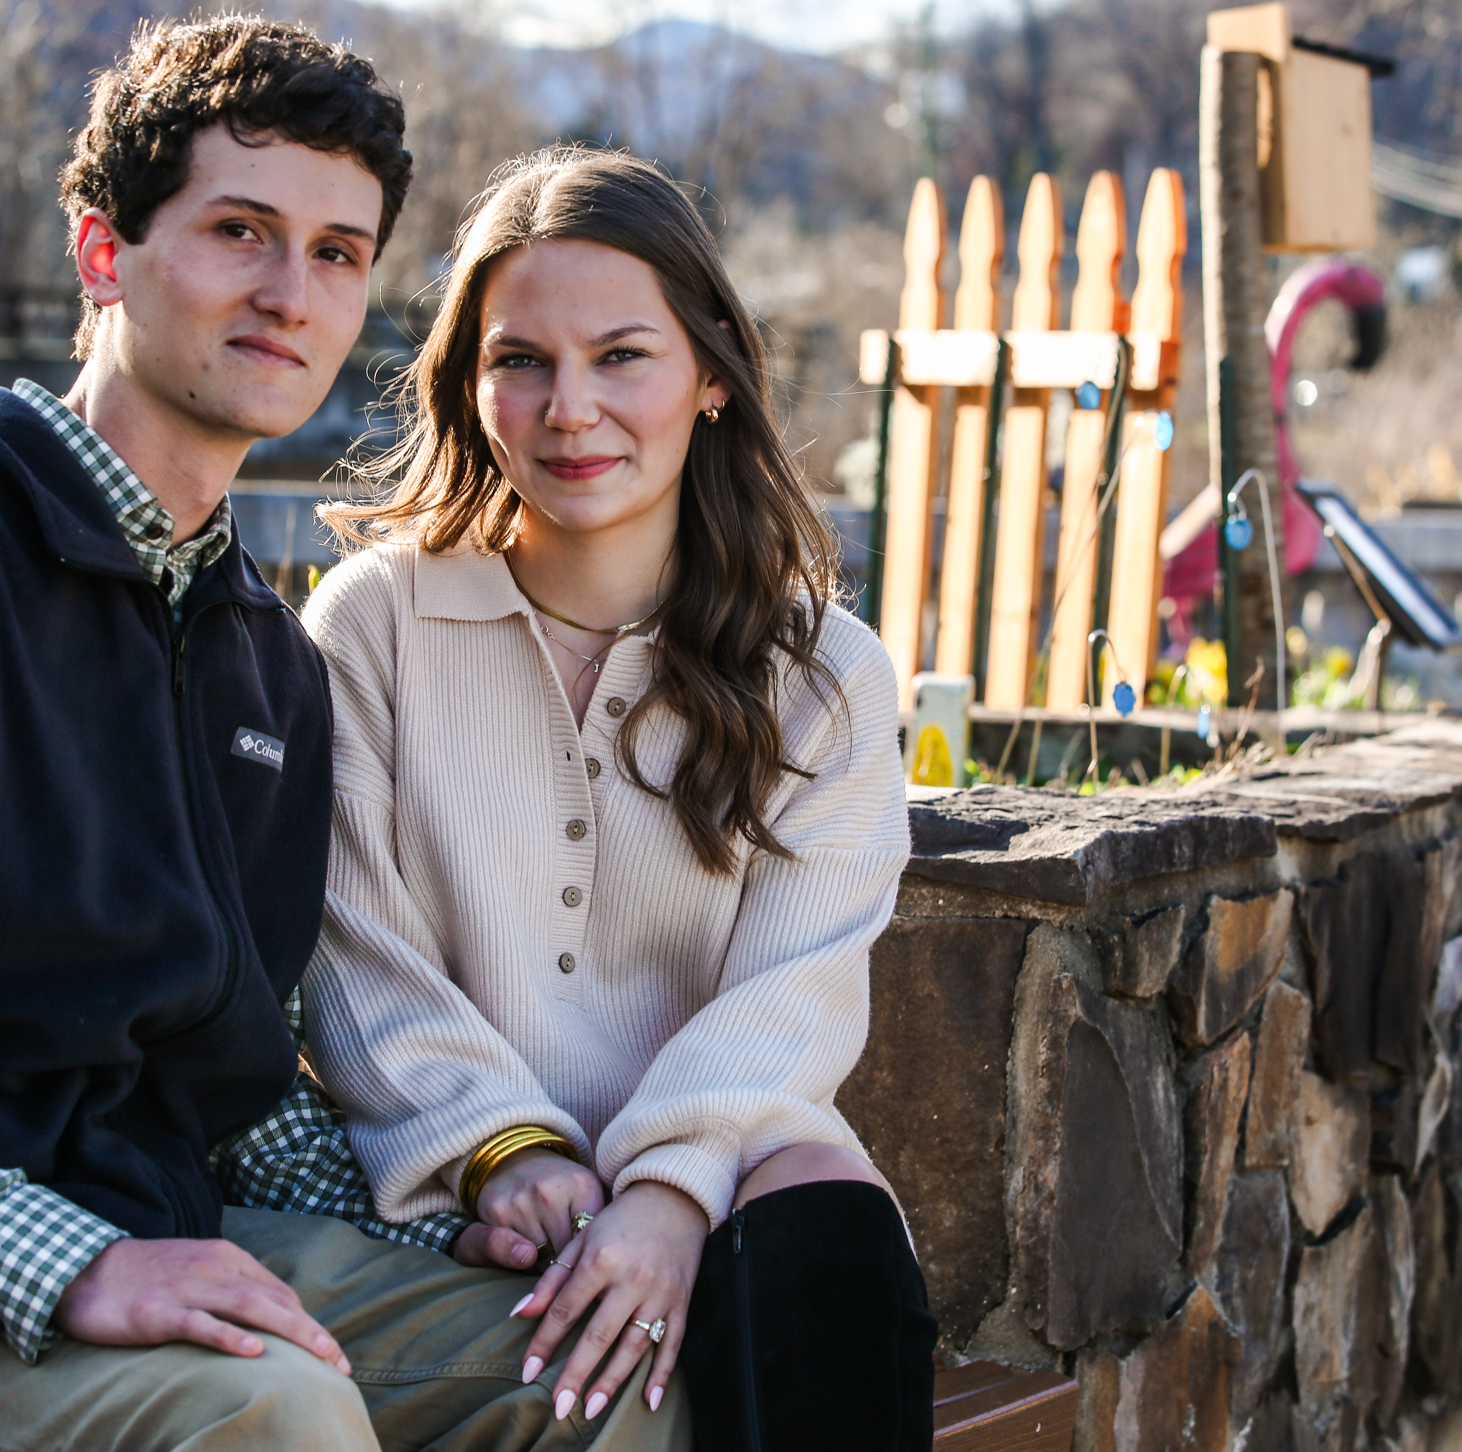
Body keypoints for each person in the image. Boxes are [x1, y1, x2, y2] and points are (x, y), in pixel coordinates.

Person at [0, 25, 679, 1452]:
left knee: (599, 1377)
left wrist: (442, 1233)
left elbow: (229, 1082)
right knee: (271, 1418)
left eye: (337, 253)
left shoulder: (266, 655)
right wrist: (70, 1261)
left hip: (181, 1245)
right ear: (102, 253)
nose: (291, 293)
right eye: (240, 232)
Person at [303, 146, 937, 1451]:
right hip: (464, 1180)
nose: (568, 408)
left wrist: (665, 1187)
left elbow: (794, 992)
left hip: (733, 1174)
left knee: (826, 1203)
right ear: (469, 387)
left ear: (711, 376)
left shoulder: (822, 674)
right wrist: (510, 1152)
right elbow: (353, 950)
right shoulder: (373, 629)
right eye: (520, 360)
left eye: (621, 356)